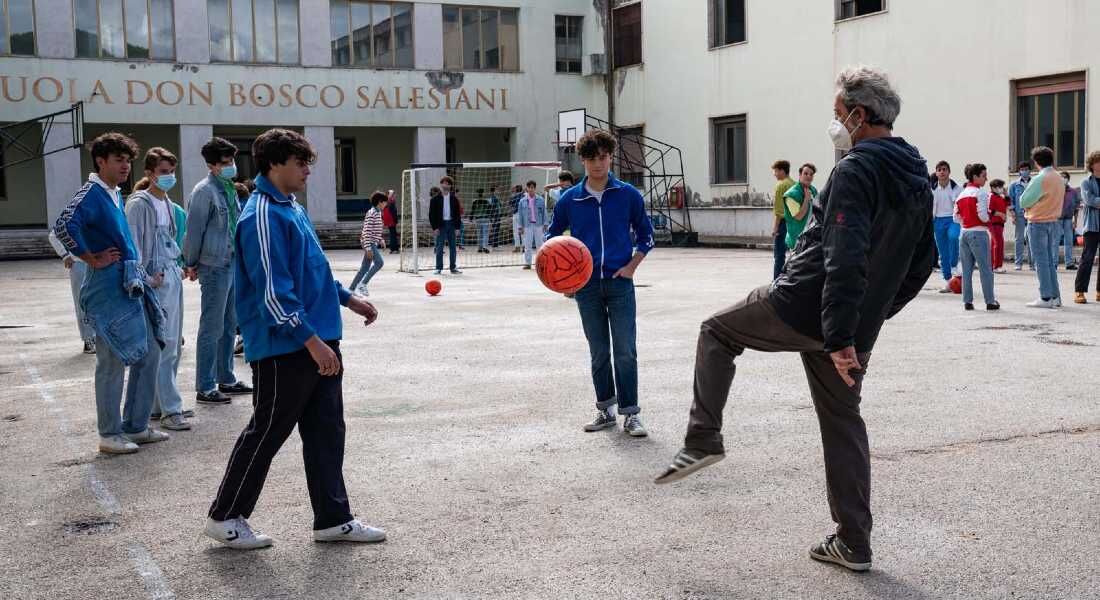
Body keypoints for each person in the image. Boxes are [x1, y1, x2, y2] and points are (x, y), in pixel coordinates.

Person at [656, 67, 935, 574]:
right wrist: (866, 322)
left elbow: (844, 255)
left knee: (716, 331)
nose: (836, 124)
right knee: (842, 423)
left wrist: (841, 333)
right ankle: (853, 543)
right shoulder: (916, 174)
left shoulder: (855, 169)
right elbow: (922, 262)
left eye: (838, 115)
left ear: (860, 114)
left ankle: (702, 440)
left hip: (804, 306)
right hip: (846, 325)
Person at [205, 128, 386, 550]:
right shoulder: (262, 215)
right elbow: (273, 292)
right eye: (299, 162)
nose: (307, 170)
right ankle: (225, 515)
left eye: (308, 162)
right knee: (267, 431)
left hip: (318, 336)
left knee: (326, 431)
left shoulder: (291, 208)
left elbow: (313, 270)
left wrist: (348, 298)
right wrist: (311, 341)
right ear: (273, 164)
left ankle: (332, 518)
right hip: (286, 346)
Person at [52, 133, 170, 454]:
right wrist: (91, 257)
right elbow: (64, 225)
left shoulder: (114, 193)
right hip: (106, 286)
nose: (126, 166)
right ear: (101, 161)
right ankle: (109, 433)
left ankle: (135, 425)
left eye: (128, 160)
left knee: (151, 352)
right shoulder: (91, 193)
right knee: (112, 360)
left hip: (131, 281)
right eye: (119, 160)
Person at [546, 129, 655, 437]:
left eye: (603, 157)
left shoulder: (629, 195)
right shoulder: (570, 199)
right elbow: (551, 239)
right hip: (586, 287)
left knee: (625, 350)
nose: (598, 164)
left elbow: (647, 236)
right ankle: (605, 410)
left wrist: (632, 266)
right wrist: (562, 280)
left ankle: (631, 414)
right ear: (582, 160)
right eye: (592, 158)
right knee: (598, 351)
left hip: (620, 283)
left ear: (611, 157)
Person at [124, 147, 191, 431]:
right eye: (163, 172)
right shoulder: (140, 204)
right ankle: (170, 410)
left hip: (170, 274)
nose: (169, 177)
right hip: (156, 279)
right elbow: (134, 245)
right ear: (149, 173)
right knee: (164, 344)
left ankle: (159, 404)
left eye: (172, 171)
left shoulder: (167, 204)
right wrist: (146, 278)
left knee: (173, 341)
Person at [182, 137, 252, 405]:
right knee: (211, 327)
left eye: (232, 161)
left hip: (232, 262)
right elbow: (194, 230)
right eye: (225, 163)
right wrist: (190, 262)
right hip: (214, 265)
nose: (231, 166)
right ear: (211, 165)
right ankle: (205, 385)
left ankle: (226, 377)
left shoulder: (229, 189)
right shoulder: (204, 192)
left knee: (228, 324)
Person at [1020, 146, 1066, 308]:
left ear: (1036, 162)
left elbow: (1023, 201)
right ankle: (1055, 296)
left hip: (1038, 222)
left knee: (1041, 261)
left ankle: (1045, 297)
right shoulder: (1059, 177)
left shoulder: (1040, 178)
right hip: (1054, 221)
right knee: (1049, 262)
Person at [954, 164, 999, 311]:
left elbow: (956, 217)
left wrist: (966, 222)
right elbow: (983, 216)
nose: (986, 178)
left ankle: (967, 301)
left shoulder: (961, 194)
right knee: (985, 268)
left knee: (966, 270)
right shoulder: (980, 193)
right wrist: (992, 215)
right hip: (978, 233)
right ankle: (990, 301)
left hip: (964, 232)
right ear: (975, 177)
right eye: (984, 175)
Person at [48, 230, 96, 354]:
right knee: (82, 302)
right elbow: (54, 235)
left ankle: (99, 337)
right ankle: (88, 339)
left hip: (98, 263)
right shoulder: (72, 212)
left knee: (98, 301)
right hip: (79, 264)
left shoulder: (99, 212)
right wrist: (65, 255)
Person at [1073, 151, 1100, 304]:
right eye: (1097, 161)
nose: (1099, 164)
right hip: (1091, 226)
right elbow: (1090, 201)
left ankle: (1099, 291)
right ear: (1091, 164)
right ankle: (1080, 291)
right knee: (1087, 258)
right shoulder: (1086, 182)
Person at [931, 161, 962, 292]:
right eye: (939, 170)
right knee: (942, 253)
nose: (942, 172)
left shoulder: (956, 188)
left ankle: (954, 264)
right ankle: (948, 281)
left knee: (953, 236)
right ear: (936, 173)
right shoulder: (932, 189)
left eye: (944, 169)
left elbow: (959, 205)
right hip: (937, 220)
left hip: (953, 219)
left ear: (949, 172)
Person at [349, 191, 388, 295]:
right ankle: (363, 284)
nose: (386, 205)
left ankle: (351, 289)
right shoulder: (372, 213)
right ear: (380, 202)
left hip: (372, 242)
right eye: (385, 202)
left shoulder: (378, 212)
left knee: (365, 267)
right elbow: (367, 232)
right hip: (369, 243)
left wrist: (380, 239)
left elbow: (375, 230)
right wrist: (368, 248)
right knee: (379, 263)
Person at [429, 176, 462, 274]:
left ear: (450, 185)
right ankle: (438, 268)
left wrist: (457, 227)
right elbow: (431, 215)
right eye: (444, 183)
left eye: (448, 183)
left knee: (453, 247)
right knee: (439, 247)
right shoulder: (435, 199)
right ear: (441, 184)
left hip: (451, 224)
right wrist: (434, 227)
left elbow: (457, 214)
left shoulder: (454, 199)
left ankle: (453, 267)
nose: (445, 185)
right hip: (440, 225)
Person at [770, 160, 796, 279]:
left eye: (775, 171)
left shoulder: (780, 185)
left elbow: (779, 211)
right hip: (795, 223)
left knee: (779, 255)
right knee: (794, 254)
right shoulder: (794, 184)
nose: (774, 174)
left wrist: (775, 228)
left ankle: (777, 281)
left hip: (783, 223)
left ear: (782, 171)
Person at [782, 163, 817, 250]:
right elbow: (799, 217)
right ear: (800, 175)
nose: (808, 176)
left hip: (811, 238)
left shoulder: (813, 190)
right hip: (797, 239)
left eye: (811, 174)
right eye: (805, 173)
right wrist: (806, 199)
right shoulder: (792, 194)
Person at [1008, 161, 1034, 271]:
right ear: (1019, 171)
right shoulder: (1014, 185)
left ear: (1030, 170)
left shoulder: (1034, 183)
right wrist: (1012, 214)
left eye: (1026, 169)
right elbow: (1010, 201)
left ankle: (1032, 264)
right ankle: (1018, 263)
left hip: (1033, 214)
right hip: (1019, 214)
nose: (1024, 171)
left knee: (1031, 239)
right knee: (1019, 239)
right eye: (1022, 169)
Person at [518, 181, 548, 269]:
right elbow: (520, 215)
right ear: (527, 188)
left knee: (540, 244)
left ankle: (541, 263)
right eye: (529, 187)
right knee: (527, 245)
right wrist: (520, 227)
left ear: (535, 188)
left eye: (532, 187)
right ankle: (528, 263)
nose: (531, 189)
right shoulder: (522, 201)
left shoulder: (541, 200)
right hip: (527, 225)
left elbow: (544, 212)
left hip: (538, 225)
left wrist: (545, 223)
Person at [1059, 171, 1080, 270]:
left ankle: (1069, 263)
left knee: (1069, 241)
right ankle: (1054, 262)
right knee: (1055, 241)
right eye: (1061, 177)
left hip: (1068, 219)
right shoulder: (1056, 190)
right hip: (1057, 219)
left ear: (1068, 179)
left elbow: (1076, 207)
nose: (1063, 179)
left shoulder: (1073, 192)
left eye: (1065, 177)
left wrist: (1075, 221)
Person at [988, 179, 1009, 273]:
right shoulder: (991, 196)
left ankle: (992, 264)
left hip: (1000, 224)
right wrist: (1000, 214)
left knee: (994, 244)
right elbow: (989, 210)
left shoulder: (1000, 197)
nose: (1001, 189)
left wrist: (1006, 194)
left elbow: (1008, 203)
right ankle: (997, 266)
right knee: (999, 243)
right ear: (993, 188)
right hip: (994, 223)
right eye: (999, 187)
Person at [471, 188, 493, 253]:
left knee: (479, 234)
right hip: (485, 218)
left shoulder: (475, 201)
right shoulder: (487, 201)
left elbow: (472, 211)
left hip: (478, 219)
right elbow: (489, 211)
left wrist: (471, 219)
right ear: (483, 193)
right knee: (485, 234)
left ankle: (480, 248)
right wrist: (491, 219)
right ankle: (485, 247)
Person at [383, 189, 400, 254]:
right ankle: (394, 249)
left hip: (389, 221)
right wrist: (395, 221)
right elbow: (393, 213)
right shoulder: (391, 201)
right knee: (393, 235)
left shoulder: (387, 201)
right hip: (392, 220)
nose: (395, 195)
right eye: (393, 194)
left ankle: (393, 248)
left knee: (392, 234)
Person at [509, 184, 524, 252]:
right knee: (522, 231)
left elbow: (510, 203)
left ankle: (517, 247)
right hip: (521, 215)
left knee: (516, 231)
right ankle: (523, 246)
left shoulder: (515, 196)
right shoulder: (523, 195)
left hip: (517, 214)